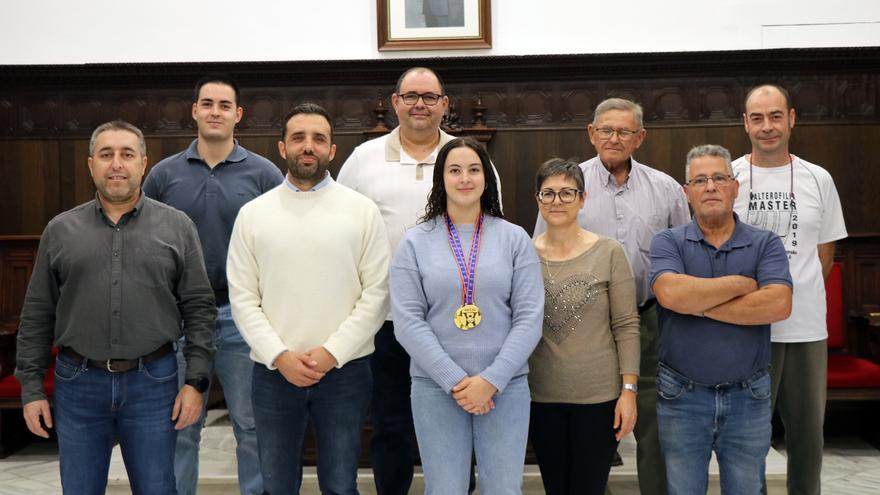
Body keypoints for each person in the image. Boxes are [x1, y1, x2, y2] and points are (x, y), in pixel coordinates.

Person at [15, 120, 216, 494]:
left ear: (144, 163)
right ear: (91, 164)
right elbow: (37, 314)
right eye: (106, 155)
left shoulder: (177, 227)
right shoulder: (60, 230)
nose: (117, 164)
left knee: (158, 488)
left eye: (127, 154)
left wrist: (195, 383)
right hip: (78, 385)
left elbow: (200, 308)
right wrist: (32, 389)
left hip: (154, 383)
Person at [338, 66, 500, 495]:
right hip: (386, 319)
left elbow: (493, 229)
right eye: (411, 96)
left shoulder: (467, 157)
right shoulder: (363, 159)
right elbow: (340, 229)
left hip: (456, 321)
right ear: (395, 102)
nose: (420, 104)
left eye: (430, 97)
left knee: (458, 416)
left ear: (445, 105)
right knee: (390, 422)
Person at [227, 103, 390, 494]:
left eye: (318, 139)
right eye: (298, 137)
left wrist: (332, 352)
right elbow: (243, 298)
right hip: (273, 372)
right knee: (278, 485)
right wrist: (280, 355)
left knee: (340, 484)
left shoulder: (362, 211)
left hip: (345, 371)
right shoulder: (253, 215)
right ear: (282, 148)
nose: (308, 146)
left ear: (332, 151)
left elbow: (377, 293)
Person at [533, 97, 688, 494]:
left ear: (640, 138)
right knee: (591, 440)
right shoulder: (568, 186)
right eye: (606, 130)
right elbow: (541, 248)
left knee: (653, 426)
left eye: (624, 131)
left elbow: (685, 254)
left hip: (649, 318)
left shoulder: (666, 189)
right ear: (591, 133)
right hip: (583, 326)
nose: (614, 138)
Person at [143, 73, 283, 495]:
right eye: (207, 104)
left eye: (224, 105)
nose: (215, 112)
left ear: (238, 115)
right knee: (182, 423)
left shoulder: (264, 174)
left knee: (251, 425)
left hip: (243, 316)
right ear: (194, 111)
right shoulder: (164, 176)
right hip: (179, 320)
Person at [390, 137, 543, 494]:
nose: (464, 178)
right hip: (435, 387)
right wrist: (456, 381)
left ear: (486, 179)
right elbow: (408, 321)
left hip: (505, 386)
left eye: (474, 170)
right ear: (440, 180)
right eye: (454, 170)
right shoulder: (414, 242)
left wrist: (491, 379)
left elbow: (529, 317)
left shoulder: (514, 239)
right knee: (445, 489)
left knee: (504, 489)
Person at [650, 144, 793, 494]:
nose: (710, 186)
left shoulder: (766, 244)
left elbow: (778, 304)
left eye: (719, 178)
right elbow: (670, 295)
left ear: (735, 186)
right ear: (686, 192)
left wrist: (697, 303)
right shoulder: (667, 242)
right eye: (700, 180)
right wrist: (740, 286)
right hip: (681, 396)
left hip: (749, 396)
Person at [732, 84, 848, 495]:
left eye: (775, 116)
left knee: (807, 439)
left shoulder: (819, 178)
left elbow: (825, 257)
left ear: (792, 118)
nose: (768, 127)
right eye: (758, 118)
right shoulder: (728, 178)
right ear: (745, 123)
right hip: (746, 330)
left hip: (805, 330)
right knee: (747, 441)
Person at [530, 158, 640, 494]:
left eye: (567, 193)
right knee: (556, 487)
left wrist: (628, 392)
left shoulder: (608, 251)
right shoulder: (523, 253)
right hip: (541, 396)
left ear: (583, 198)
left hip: (599, 398)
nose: (557, 201)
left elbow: (626, 325)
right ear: (538, 200)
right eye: (548, 193)